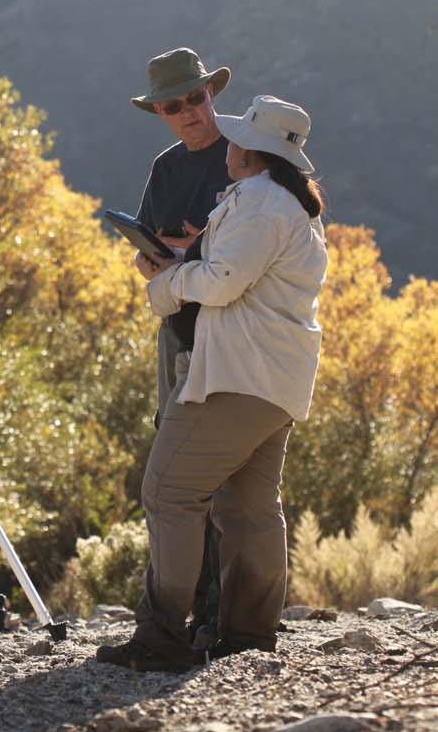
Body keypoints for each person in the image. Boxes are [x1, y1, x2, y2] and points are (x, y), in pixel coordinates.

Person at [98, 95, 327, 672]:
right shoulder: (290, 206)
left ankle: (160, 637)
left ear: (249, 151)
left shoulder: (258, 202)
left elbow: (222, 282)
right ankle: (248, 634)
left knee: (168, 490)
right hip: (277, 380)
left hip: (234, 371)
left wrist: (168, 281)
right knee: (249, 504)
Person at [131, 47, 233, 644]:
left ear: (210, 93)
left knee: (226, 480)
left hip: (234, 335)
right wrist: (150, 260)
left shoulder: (249, 156)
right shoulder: (165, 168)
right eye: (174, 105)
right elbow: (151, 251)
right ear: (161, 113)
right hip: (177, 334)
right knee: (175, 477)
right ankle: (188, 612)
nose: (189, 111)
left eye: (195, 97)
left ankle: (222, 616)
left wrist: (196, 250)